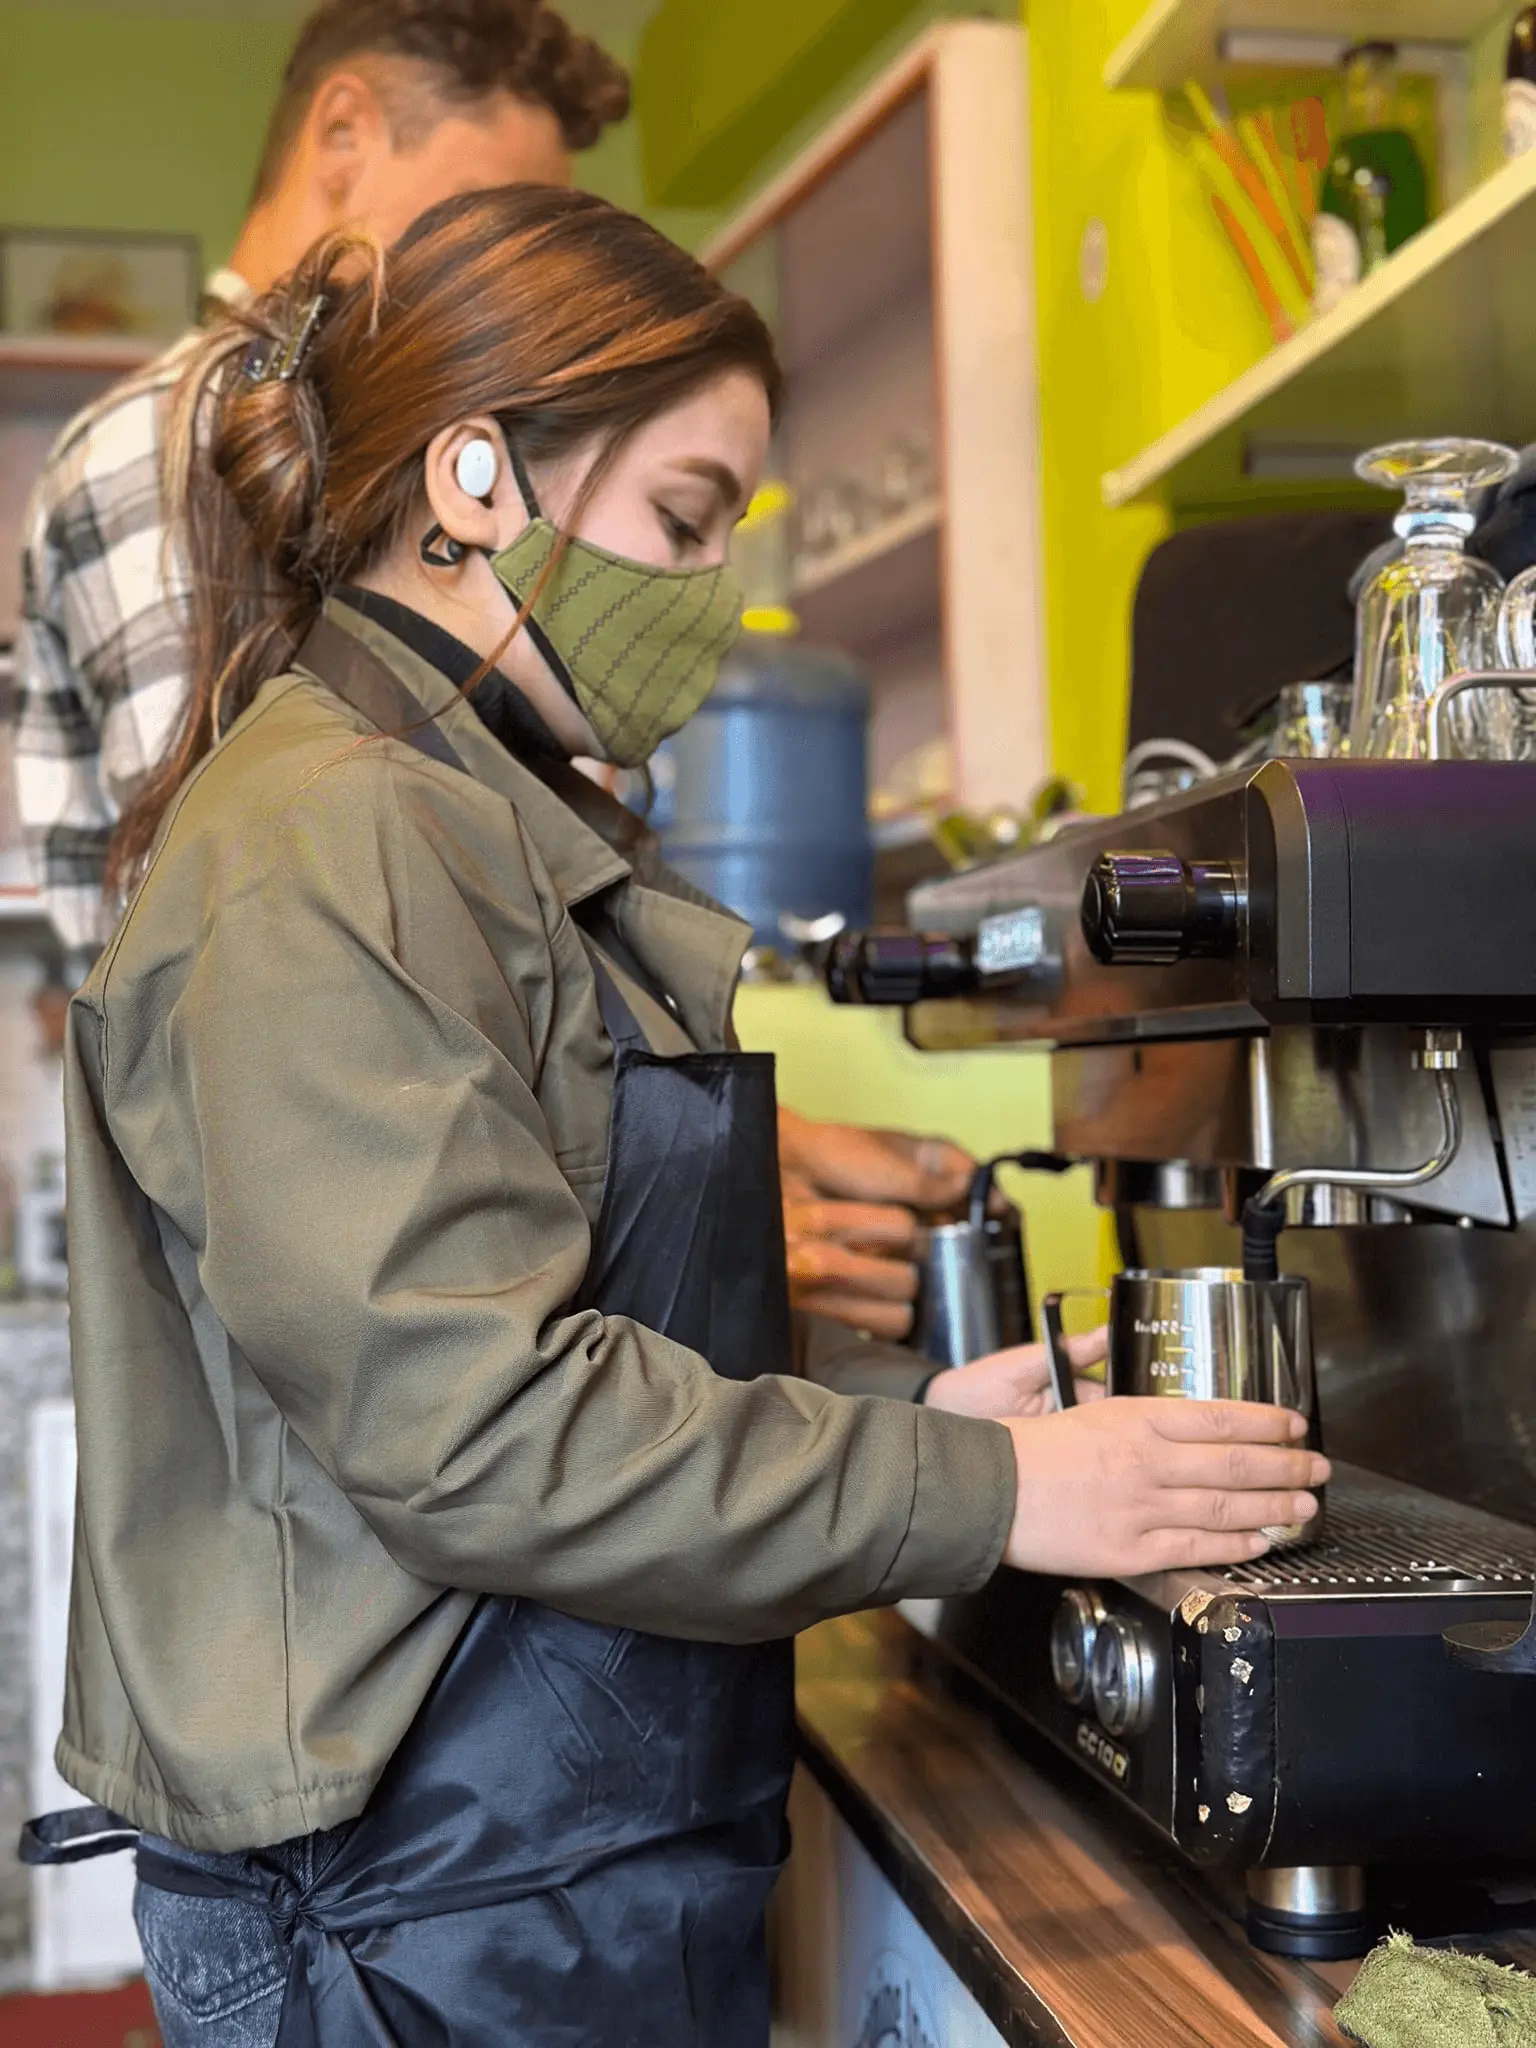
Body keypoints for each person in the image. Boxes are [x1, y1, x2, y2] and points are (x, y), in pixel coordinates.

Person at [22, 186, 1328, 2048]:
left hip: (535, 1862)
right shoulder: (331, 838)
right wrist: (997, 1492)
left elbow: (561, 1300)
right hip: (409, 1903)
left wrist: (901, 1416)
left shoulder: (464, 813)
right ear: (474, 478)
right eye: (684, 522)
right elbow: (474, 1428)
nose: (714, 595)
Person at [12, 0, 997, 1342]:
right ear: (346, 133)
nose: (513, 275)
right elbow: (275, 1015)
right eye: (484, 213)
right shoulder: (160, 444)